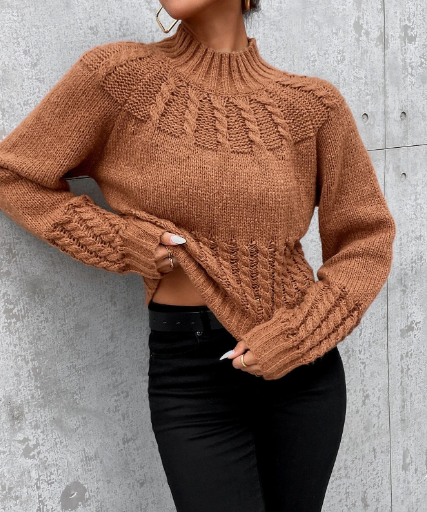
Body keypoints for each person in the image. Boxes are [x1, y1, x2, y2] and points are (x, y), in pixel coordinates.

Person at [0, 0, 396, 510]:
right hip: (190, 376)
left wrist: (301, 336)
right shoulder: (118, 77)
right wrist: (121, 242)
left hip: (302, 372)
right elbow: (14, 175)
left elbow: (367, 238)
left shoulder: (313, 106)